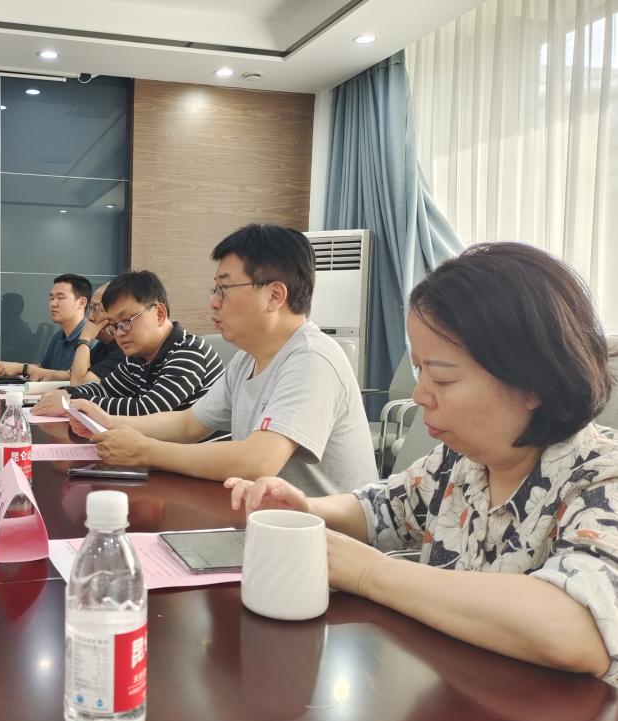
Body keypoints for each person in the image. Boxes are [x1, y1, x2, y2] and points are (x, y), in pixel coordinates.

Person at [227, 242, 618, 685]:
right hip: (461, 697)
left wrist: (370, 572)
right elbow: (382, 507)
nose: (419, 396)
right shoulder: (460, 461)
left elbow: (579, 627)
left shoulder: (601, 478)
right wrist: (307, 508)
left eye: (444, 378)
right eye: (420, 372)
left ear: (533, 383)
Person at [66, 224, 377, 491]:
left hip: (324, 535)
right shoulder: (246, 360)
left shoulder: (312, 358)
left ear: (274, 296)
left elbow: (259, 460)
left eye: (224, 288)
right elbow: (189, 423)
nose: (214, 302)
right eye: (214, 289)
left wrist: (146, 451)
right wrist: (109, 421)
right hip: (263, 519)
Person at [34, 271, 223, 416]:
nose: (119, 333)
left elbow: (148, 408)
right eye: (114, 326)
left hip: (198, 453)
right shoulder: (137, 357)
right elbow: (104, 389)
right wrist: (64, 393)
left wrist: (71, 402)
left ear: (159, 314)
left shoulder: (189, 351)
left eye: (126, 321)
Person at [0, 274, 91, 379]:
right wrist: (8, 368)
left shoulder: (90, 339)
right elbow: (43, 368)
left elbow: (74, 377)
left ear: (82, 303)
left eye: (60, 298)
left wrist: (22, 368)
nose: (53, 304)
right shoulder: (59, 336)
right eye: (52, 298)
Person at [28, 282, 125, 387]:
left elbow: (78, 383)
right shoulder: (103, 345)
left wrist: (85, 338)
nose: (90, 317)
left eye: (97, 309)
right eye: (91, 308)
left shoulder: (124, 350)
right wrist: (51, 376)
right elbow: (72, 374)